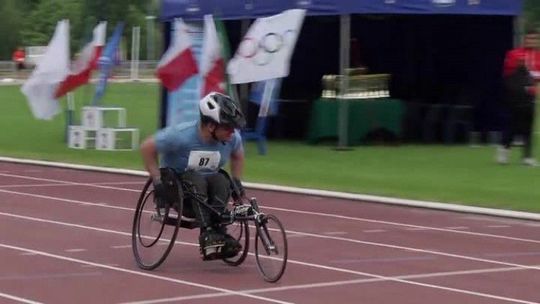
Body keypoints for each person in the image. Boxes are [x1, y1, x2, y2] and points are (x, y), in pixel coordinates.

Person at [140, 92, 247, 260]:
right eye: (227, 127)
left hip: (210, 190)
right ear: (211, 126)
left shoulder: (232, 139)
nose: (232, 132)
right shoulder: (180, 136)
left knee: (221, 179)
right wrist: (156, 180)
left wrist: (237, 179)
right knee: (195, 178)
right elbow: (147, 147)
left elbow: (238, 155)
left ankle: (217, 230)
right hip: (179, 191)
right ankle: (207, 234)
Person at [497, 26, 540, 166]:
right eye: (529, 38)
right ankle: (504, 150)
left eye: (534, 39)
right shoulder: (514, 54)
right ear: (524, 39)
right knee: (513, 124)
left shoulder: (538, 56)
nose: (532, 41)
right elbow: (509, 74)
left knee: (528, 126)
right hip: (515, 95)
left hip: (530, 95)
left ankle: (526, 157)